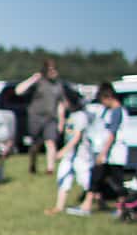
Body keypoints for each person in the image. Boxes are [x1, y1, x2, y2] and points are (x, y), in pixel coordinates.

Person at [50, 82, 120, 216]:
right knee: (63, 177)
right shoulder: (71, 115)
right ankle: (59, 207)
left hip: (81, 155)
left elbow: (77, 137)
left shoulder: (81, 116)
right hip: (70, 155)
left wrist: (62, 152)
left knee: (87, 181)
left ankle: (99, 203)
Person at [14, 57, 70, 174]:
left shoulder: (58, 85)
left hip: (51, 118)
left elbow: (60, 104)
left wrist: (61, 121)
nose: (53, 72)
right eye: (50, 70)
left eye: (55, 69)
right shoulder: (38, 82)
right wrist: (32, 79)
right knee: (35, 145)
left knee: (50, 142)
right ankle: (32, 165)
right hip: (36, 117)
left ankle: (50, 169)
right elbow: (18, 91)